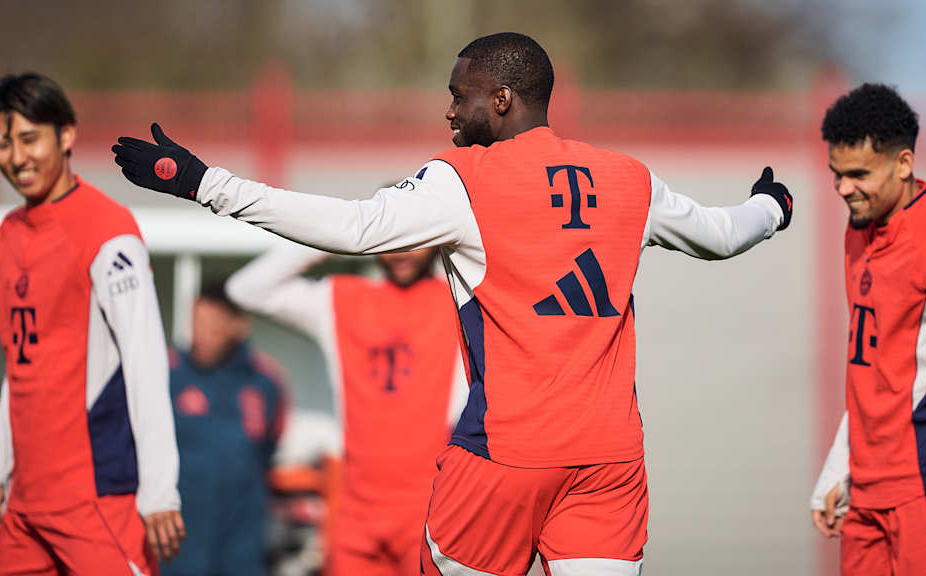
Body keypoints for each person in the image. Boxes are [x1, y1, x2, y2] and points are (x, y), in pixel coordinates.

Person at [112, 32, 793, 575]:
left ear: (501, 98)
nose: (449, 112)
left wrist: (205, 183)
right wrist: (772, 207)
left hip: (503, 456)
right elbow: (723, 235)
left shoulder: (464, 177)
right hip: (609, 463)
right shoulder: (630, 178)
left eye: (458, 96)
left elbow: (354, 227)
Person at [0, 72, 183, 575]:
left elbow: (145, 363)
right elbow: (20, 371)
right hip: (24, 507)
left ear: (66, 134)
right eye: (2, 143)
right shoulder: (7, 236)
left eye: (30, 138)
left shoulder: (108, 231)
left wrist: (160, 490)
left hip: (97, 501)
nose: (17, 157)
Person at [809, 83, 926, 576]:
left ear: (904, 164)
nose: (843, 188)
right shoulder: (859, 231)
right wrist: (839, 466)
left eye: (858, 174)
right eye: (836, 174)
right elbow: (873, 369)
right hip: (868, 493)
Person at [225, 243, 465, 576]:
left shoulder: (460, 300)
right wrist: (339, 237)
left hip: (432, 509)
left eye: (412, 240)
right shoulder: (342, 300)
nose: (400, 252)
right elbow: (246, 289)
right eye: (391, 241)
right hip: (356, 513)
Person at [164, 281, 287, 576]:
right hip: (179, 545)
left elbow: (271, 442)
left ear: (238, 326)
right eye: (197, 324)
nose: (201, 336)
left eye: (212, 327)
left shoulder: (266, 381)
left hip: (242, 543)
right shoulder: (168, 372)